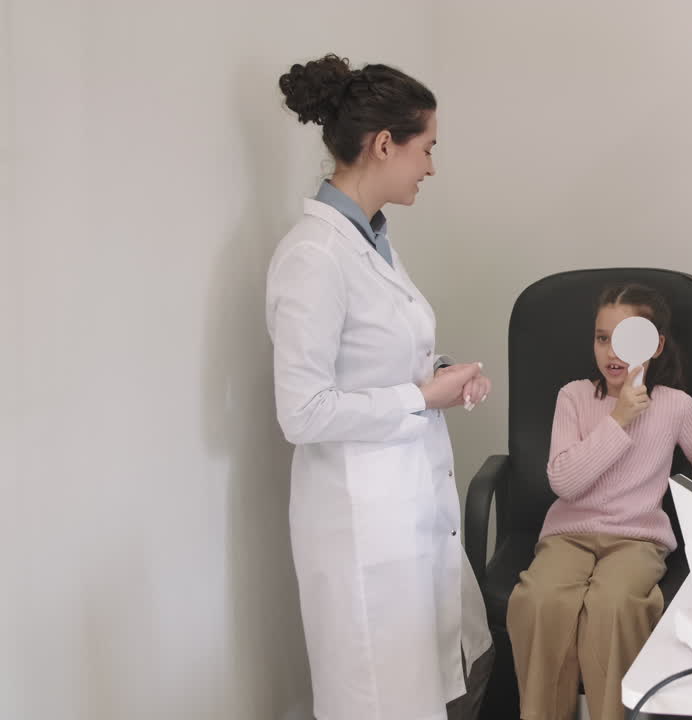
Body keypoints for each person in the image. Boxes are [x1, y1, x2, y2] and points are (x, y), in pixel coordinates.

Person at [266, 53, 492, 720]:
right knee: (384, 701)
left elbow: (373, 360)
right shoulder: (313, 257)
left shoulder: (373, 242)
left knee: (450, 679)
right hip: (362, 525)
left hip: (407, 507)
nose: (430, 166)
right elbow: (301, 412)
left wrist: (438, 374)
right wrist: (423, 397)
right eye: (425, 148)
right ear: (384, 143)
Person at [506, 283, 692, 720]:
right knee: (540, 601)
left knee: (613, 606)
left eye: (625, 338)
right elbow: (564, 480)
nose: (611, 351)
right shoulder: (575, 397)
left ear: (654, 345)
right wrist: (619, 419)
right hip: (569, 535)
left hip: (635, 539)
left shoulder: (675, 405)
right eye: (603, 337)